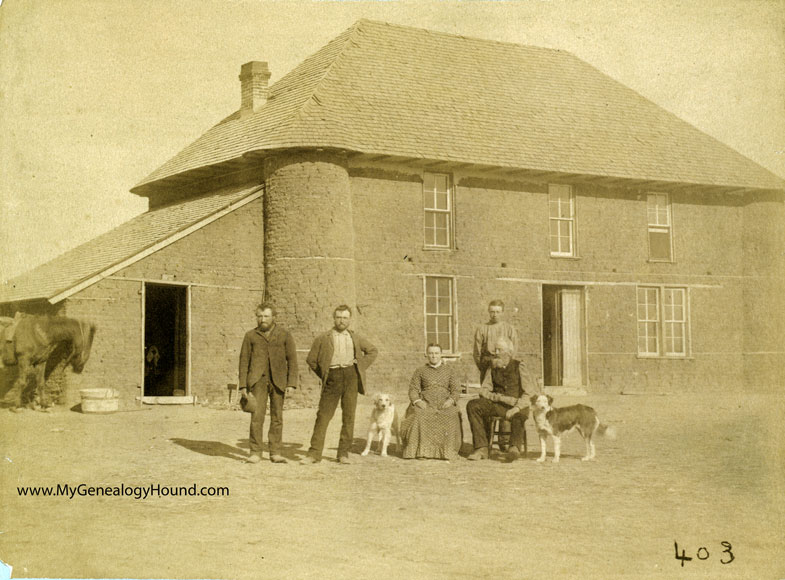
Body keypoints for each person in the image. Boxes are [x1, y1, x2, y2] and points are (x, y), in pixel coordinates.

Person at [301, 305, 378, 464]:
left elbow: (372, 351)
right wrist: (325, 374)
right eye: (339, 317)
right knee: (323, 416)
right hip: (332, 377)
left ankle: (343, 454)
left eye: (345, 318)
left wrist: (359, 366)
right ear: (334, 318)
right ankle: (314, 454)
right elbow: (311, 360)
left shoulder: (355, 337)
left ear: (349, 320)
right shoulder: (324, 338)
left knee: (348, 417)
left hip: (351, 378)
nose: (341, 321)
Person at [238, 303, 298, 464]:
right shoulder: (250, 336)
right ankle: (255, 452)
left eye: (266, 316)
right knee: (257, 417)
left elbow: (292, 359)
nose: (263, 319)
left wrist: (291, 383)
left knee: (277, 417)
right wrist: (243, 385)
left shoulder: (284, 335)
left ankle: (275, 452)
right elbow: (244, 361)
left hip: (278, 381)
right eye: (260, 316)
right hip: (258, 381)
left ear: (273, 317)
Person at [466, 337, 536, 461]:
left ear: (509, 352)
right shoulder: (492, 367)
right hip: (498, 405)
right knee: (473, 405)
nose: (496, 353)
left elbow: (529, 393)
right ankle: (481, 448)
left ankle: (514, 448)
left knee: (520, 415)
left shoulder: (519, 366)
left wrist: (516, 408)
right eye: (495, 350)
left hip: (517, 406)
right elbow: (483, 390)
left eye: (500, 350)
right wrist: (498, 397)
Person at [400, 344, 463, 461]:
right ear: (427, 355)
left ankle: (447, 452)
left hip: (444, 402)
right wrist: (418, 401)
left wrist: (450, 400)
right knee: (419, 415)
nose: (434, 356)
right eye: (431, 353)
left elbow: (456, 389)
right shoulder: (420, 371)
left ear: (441, 355)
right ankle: (421, 452)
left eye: (436, 353)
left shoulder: (449, 371)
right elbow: (413, 389)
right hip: (426, 402)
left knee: (450, 414)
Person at [473, 300, 519, 385]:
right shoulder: (482, 329)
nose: (495, 315)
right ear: (489, 312)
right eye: (492, 312)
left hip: (505, 365)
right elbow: (477, 352)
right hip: (487, 365)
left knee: (503, 393)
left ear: (502, 312)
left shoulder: (509, 328)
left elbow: (514, 349)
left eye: (498, 312)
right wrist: (483, 367)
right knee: (486, 393)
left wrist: (507, 365)